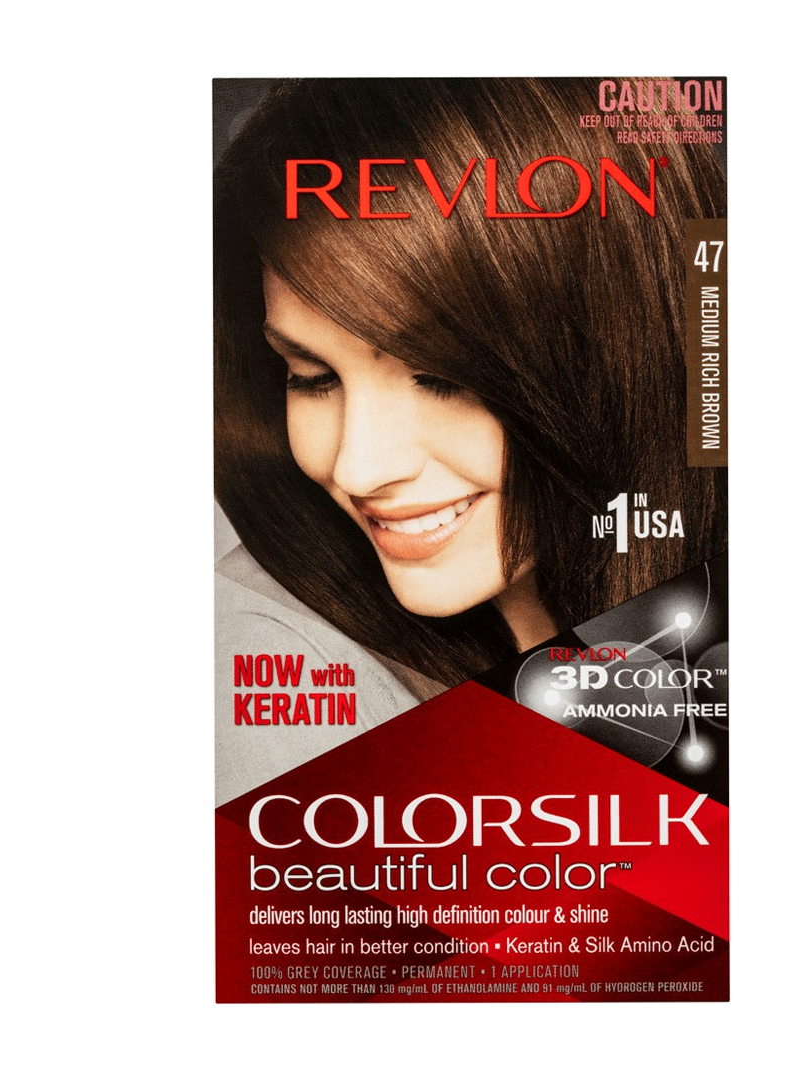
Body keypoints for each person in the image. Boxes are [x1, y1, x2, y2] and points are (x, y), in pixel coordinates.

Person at [214, 78, 726, 797]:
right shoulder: (272, 648)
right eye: (313, 377)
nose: (359, 468)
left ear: (629, 352)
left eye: (440, 378)